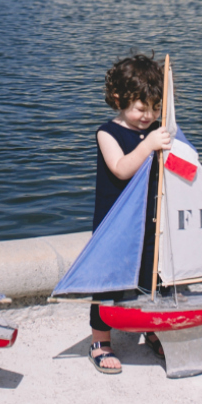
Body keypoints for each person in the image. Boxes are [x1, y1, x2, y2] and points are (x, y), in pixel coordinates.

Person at [87, 54, 172, 374]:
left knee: (150, 278)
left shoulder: (155, 130)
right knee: (107, 282)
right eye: (140, 108)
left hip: (149, 220)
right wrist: (149, 144)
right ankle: (100, 340)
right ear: (120, 100)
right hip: (115, 224)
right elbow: (121, 169)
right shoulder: (108, 133)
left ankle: (149, 326)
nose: (147, 115)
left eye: (154, 108)